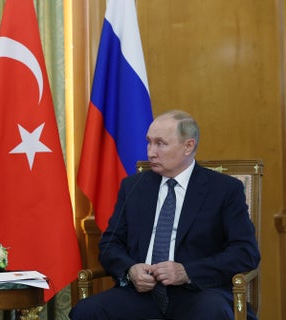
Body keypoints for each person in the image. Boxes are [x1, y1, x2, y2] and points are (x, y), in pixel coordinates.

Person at [70, 110, 260, 320]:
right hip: (142, 292)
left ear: (188, 146)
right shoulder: (133, 187)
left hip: (199, 292)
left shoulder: (224, 189)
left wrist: (187, 271)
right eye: (149, 142)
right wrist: (130, 270)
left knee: (212, 312)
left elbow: (245, 252)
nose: (151, 152)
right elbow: (109, 244)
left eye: (160, 143)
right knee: (85, 312)